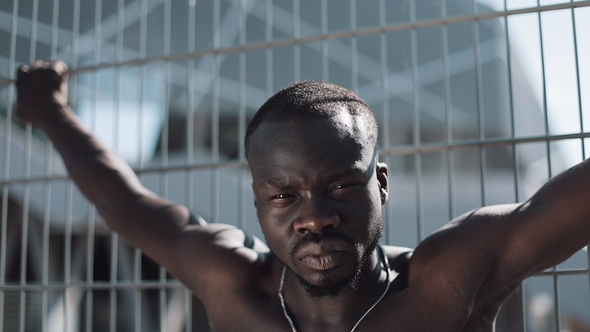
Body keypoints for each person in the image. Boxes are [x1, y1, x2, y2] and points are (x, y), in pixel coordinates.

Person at [15, 60, 590, 331]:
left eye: (340, 186)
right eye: (284, 196)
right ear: (258, 200)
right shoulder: (232, 285)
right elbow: (122, 202)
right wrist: (49, 110)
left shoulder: (445, 280)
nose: (314, 218)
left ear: (380, 184)